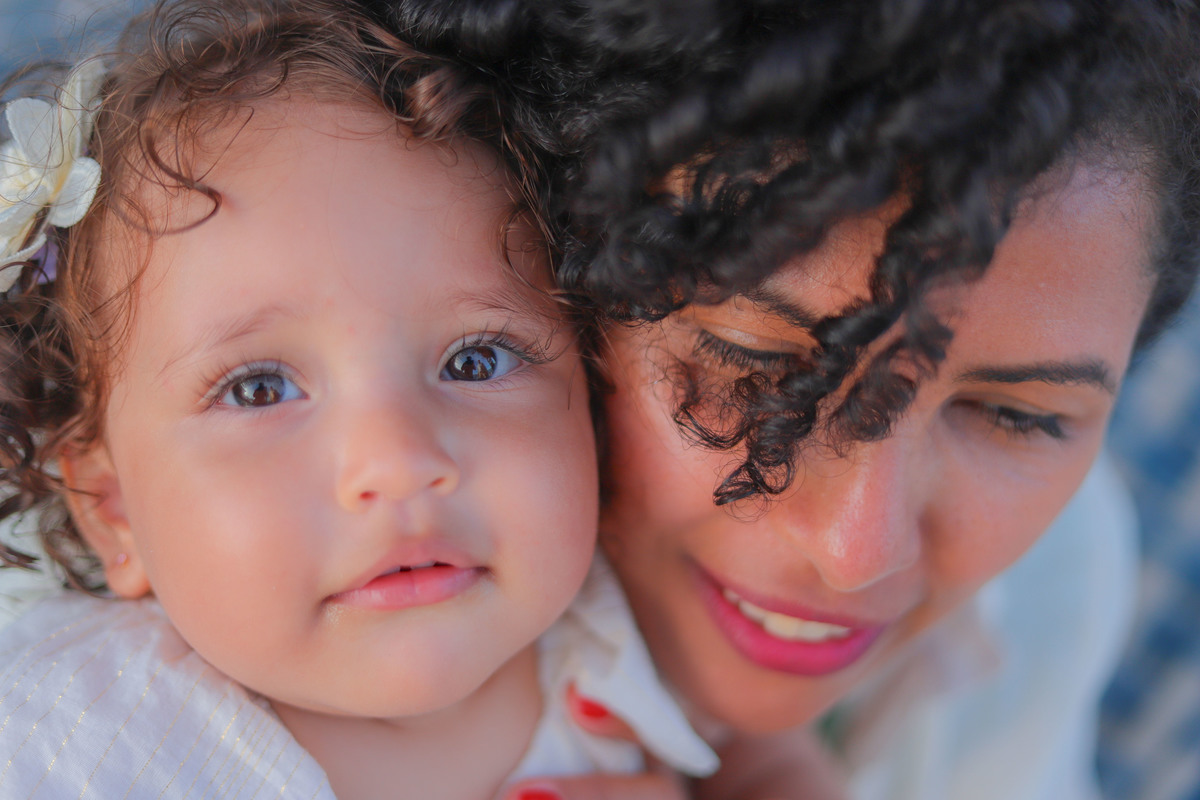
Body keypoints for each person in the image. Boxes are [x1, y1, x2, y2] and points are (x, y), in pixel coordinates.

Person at [365, 2, 1200, 798]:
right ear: (544, 242)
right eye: (755, 363)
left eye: (1019, 417)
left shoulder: (1050, 583)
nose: (856, 551)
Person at [0, 1, 720, 797]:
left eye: (476, 360)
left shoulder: (629, 624)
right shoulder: (75, 738)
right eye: (260, 388)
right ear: (113, 509)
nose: (398, 461)